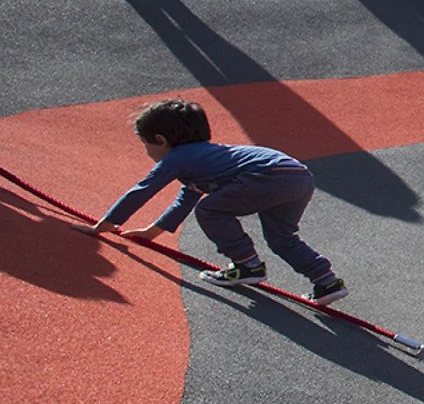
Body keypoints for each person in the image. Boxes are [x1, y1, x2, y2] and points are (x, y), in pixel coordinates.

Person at [80, 98, 347, 304]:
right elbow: (184, 200)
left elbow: (142, 190)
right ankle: (326, 282)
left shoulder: (178, 158)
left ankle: (247, 264)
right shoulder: (206, 159)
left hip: (268, 175)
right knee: (282, 237)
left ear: (160, 140)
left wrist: (102, 226)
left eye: (146, 145)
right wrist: (151, 232)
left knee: (210, 210)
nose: (147, 151)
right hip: (297, 176)